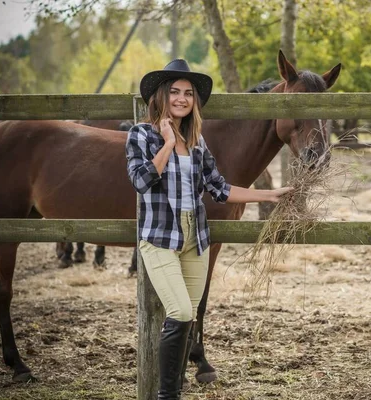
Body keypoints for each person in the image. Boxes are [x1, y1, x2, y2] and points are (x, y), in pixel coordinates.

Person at [125, 59, 292, 400]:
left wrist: (269, 193)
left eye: (188, 93)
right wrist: (168, 143)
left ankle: (173, 391)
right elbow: (141, 181)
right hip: (159, 238)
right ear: (161, 95)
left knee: (189, 313)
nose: (182, 99)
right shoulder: (140, 135)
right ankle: (166, 395)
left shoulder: (198, 142)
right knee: (181, 311)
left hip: (195, 239)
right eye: (174, 92)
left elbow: (221, 188)